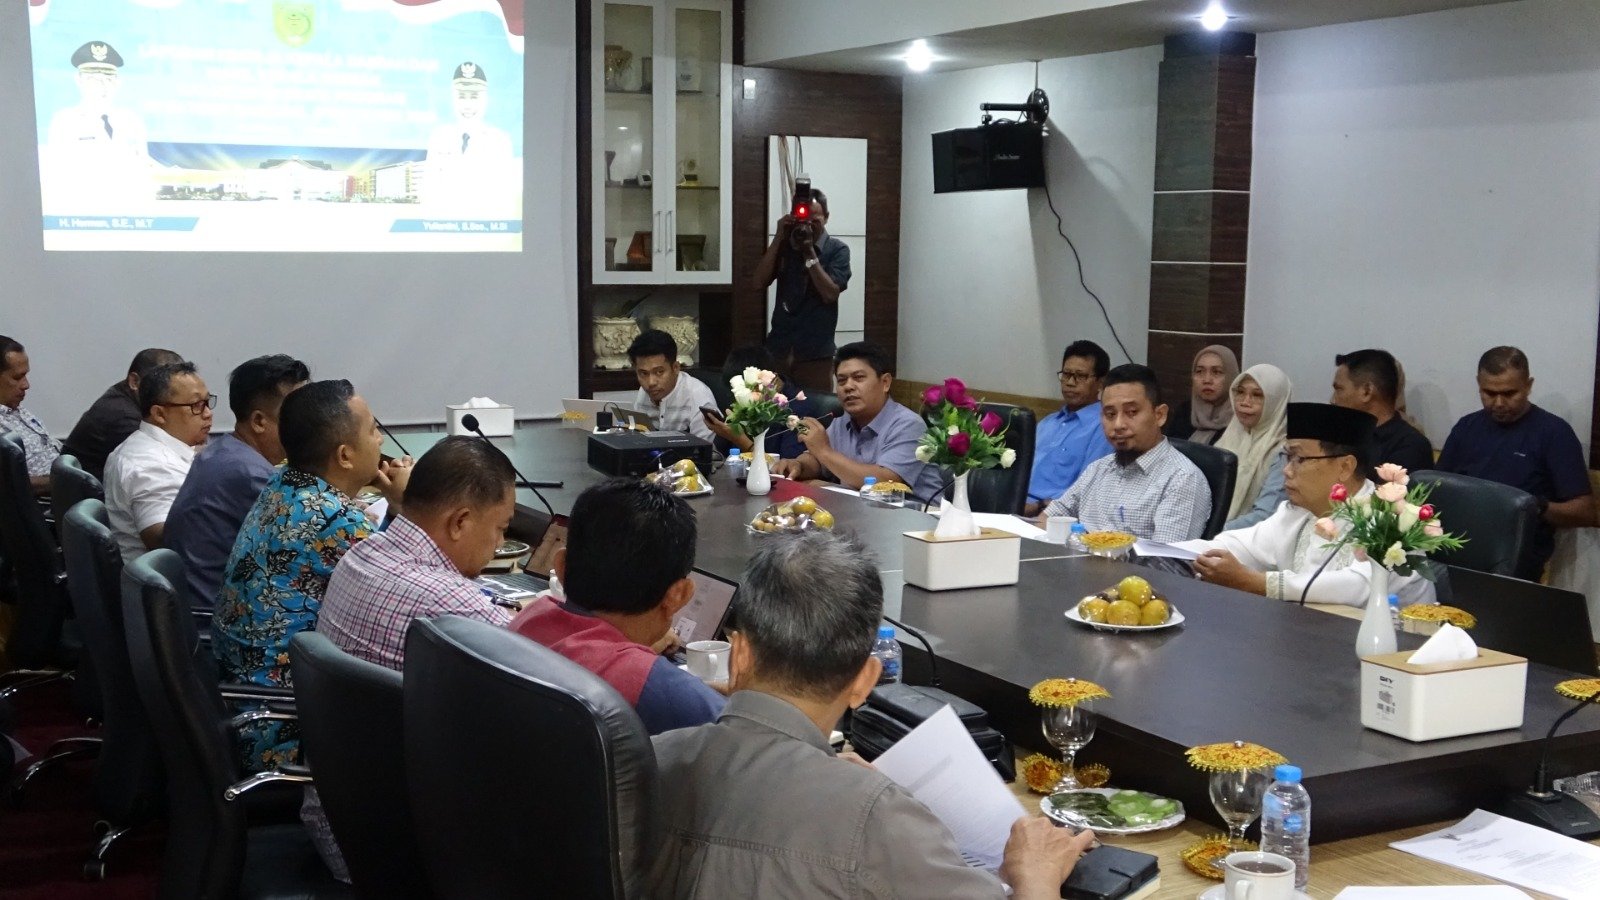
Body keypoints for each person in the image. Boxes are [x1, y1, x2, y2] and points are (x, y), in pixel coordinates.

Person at [650, 531, 1096, 900]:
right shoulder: (876, 817)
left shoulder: (645, 758)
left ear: (739, 655)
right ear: (865, 681)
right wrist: (1037, 877)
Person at [212, 379, 412, 769]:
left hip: (244, 701)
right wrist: (406, 506)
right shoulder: (333, 518)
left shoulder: (284, 483)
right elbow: (406, 588)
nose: (381, 442)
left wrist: (393, 507)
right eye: (374, 430)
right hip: (285, 726)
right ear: (345, 455)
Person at [510, 478, 724, 734]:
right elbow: (749, 739)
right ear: (677, 595)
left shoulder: (528, 619)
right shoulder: (653, 685)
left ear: (561, 568)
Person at [1184, 402, 1435, 606]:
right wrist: (1168, 552)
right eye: (1288, 457)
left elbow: (1358, 586)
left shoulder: (1392, 519)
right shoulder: (1297, 513)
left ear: (1345, 467)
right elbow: (1233, 545)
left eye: (1299, 458)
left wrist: (1257, 583)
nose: (1286, 471)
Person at [320, 436, 514, 669]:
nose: (500, 543)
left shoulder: (359, 554)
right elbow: (540, 673)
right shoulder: (457, 605)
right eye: (501, 528)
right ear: (460, 522)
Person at [164, 355, 309, 610]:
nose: (310, 424)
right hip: (217, 617)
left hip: (200, 606)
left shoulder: (223, 450)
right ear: (259, 421)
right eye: (300, 415)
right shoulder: (250, 475)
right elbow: (312, 544)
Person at [1436, 346, 1596, 575]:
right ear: (1478, 384)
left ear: (1528, 386)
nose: (1499, 403)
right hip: (1454, 550)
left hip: (1515, 559)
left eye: (1510, 393)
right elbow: (1436, 488)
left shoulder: (1554, 433)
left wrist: (1537, 506)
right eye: (1489, 393)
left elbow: (1585, 512)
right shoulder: (1466, 427)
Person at [1043, 364, 1210, 542]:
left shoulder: (1181, 479)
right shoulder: (1098, 468)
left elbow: (1164, 557)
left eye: (1131, 412)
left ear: (1159, 415)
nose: (1118, 425)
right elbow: (1048, 520)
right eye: (1110, 414)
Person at [772, 342, 942, 501]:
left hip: (915, 518)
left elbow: (885, 482)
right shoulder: (841, 422)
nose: (848, 386)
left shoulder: (909, 425)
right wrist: (798, 465)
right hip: (863, 513)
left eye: (859, 378)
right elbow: (817, 461)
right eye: (841, 380)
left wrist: (823, 451)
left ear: (885, 383)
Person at [102, 362, 213, 564]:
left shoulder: (147, 445)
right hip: (170, 579)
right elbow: (169, 543)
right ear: (159, 414)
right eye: (196, 405)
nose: (208, 413)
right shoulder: (152, 466)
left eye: (207, 402)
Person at [757, 185, 852, 393]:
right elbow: (759, 282)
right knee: (770, 407)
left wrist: (809, 252)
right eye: (803, 220)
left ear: (826, 217)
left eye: (814, 219)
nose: (808, 226)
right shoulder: (785, 247)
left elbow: (830, 294)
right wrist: (779, 237)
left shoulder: (837, 250)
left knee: (815, 409)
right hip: (778, 350)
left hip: (816, 355)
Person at [43, 41, 154, 209]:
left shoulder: (131, 121)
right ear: (79, 80)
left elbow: (144, 173)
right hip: (82, 211)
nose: (103, 87)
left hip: (130, 210)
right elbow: (57, 176)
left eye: (108, 79)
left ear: (117, 82)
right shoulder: (65, 122)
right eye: (94, 79)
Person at [62, 348, 183, 480]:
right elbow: (166, 462)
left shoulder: (123, 397)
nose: (171, 396)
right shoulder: (122, 415)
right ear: (134, 382)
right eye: (162, 387)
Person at [1024, 340, 1115, 516]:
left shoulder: (1103, 427)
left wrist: (1039, 506)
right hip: (1011, 504)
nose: (1070, 382)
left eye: (1080, 376)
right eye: (1066, 374)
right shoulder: (1047, 423)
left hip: (1049, 515)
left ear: (1101, 382)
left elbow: (1087, 489)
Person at [422, 61, 514, 211]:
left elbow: (504, 200)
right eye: (461, 96)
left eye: (474, 97)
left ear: (485, 99)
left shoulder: (499, 142)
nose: (467, 105)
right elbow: (428, 193)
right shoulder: (439, 138)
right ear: (453, 99)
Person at [700, 345, 819, 459]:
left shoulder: (800, 411)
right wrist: (723, 431)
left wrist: (740, 440)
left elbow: (787, 467)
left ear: (770, 380)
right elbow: (719, 456)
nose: (737, 397)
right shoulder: (743, 397)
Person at [1331, 349, 1433, 474]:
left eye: (1339, 389)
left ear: (1367, 391)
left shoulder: (1410, 446)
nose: (1333, 400)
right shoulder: (1341, 435)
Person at [1215, 364, 1291, 531]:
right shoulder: (1228, 438)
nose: (1245, 402)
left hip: (1247, 541)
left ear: (1276, 402)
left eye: (1257, 395)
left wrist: (1211, 533)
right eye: (1240, 392)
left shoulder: (1285, 453)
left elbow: (1265, 516)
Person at [629, 330, 716, 442]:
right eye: (643, 373)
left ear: (675, 368)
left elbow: (704, 448)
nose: (651, 382)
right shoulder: (644, 392)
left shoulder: (698, 396)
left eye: (659, 372)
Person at [0, 336, 62, 494]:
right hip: (45, 501)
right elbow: (8, 485)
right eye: (17, 377)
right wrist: (66, 480)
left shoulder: (17, 410)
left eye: (25, 375)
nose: (26, 385)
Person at [1164, 345, 1238, 445]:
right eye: (1199, 371)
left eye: (1216, 372)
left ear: (1231, 376)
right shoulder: (1185, 412)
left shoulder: (1241, 417)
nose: (1207, 380)